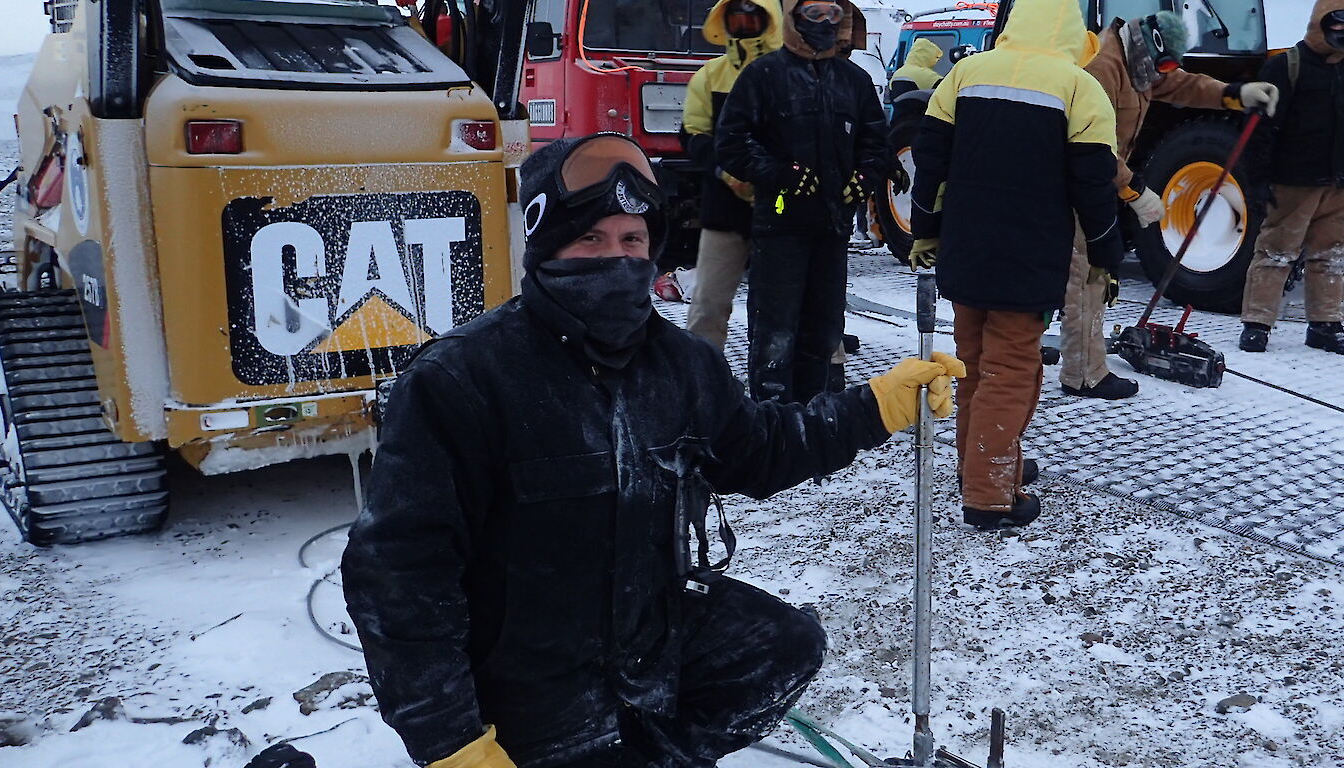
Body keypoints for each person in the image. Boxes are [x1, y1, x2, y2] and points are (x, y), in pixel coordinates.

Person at [341, 134, 964, 768]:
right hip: (526, 691)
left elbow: (760, 449)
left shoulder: (681, 365)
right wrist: (451, 741)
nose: (616, 259)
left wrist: (874, 406)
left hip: (644, 648)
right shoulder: (463, 379)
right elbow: (398, 574)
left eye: (632, 241)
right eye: (591, 239)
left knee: (782, 644)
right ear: (546, 246)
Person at [907, 0, 1124, 529]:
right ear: (1073, 33)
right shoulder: (1079, 88)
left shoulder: (965, 73)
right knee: (1011, 374)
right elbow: (1095, 186)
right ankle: (988, 495)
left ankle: (978, 465)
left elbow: (929, 162)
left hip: (967, 252)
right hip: (1028, 260)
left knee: (975, 367)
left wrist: (924, 231)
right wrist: (1105, 257)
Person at [1060, 10, 1279, 400]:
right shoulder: (1103, 69)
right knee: (1082, 281)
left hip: (1098, 186)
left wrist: (1234, 94)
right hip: (1076, 188)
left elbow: (1181, 85)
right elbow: (1092, 148)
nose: (1161, 75)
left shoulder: (1138, 63)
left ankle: (1081, 362)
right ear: (1147, 46)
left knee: (1090, 280)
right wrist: (1135, 192)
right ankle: (1082, 375)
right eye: (1160, 64)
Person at [716, 0, 895, 404]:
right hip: (779, 225)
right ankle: (773, 419)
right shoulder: (763, 77)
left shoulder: (853, 80)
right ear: (794, 19)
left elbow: (875, 139)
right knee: (776, 332)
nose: (827, 23)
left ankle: (816, 420)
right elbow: (730, 142)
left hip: (832, 229)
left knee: (824, 328)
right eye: (815, 13)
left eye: (835, 14)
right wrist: (780, 172)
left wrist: (865, 176)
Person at [1237, 0, 1344, 356]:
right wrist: (1257, 181)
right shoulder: (1285, 67)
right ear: (1320, 24)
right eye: (1339, 24)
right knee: (1275, 253)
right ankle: (1257, 324)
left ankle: (1326, 325)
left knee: (1332, 256)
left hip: (1339, 184)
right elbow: (1259, 129)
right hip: (1293, 183)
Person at [683, 0, 781, 348]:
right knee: (708, 304)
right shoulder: (710, 76)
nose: (743, 24)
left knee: (795, 305)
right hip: (725, 208)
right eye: (735, 16)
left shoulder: (790, 73)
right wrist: (728, 173)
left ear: (768, 20)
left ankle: (816, 382)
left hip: (784, 207)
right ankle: (702, 382)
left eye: (752, 16)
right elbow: (694, 135)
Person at [886, 37, 943, 101]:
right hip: (920, 110)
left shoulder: (897, 73)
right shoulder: (924, 74)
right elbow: (947, 87)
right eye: (935, 57)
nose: (936, 61)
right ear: (927, 56)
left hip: (898, 110)